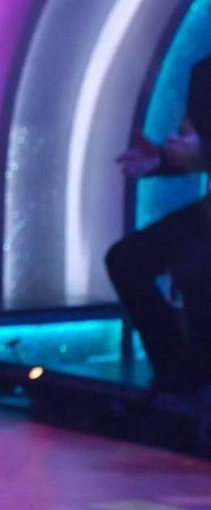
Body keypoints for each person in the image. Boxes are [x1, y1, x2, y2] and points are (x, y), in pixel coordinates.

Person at [105, 55, 211, 395]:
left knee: (196, 263)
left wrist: (199, 150)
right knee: (126, 260)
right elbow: (199, 151)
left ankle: (200, 381)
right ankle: (178, 376)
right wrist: (163, 159)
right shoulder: (204, 72)